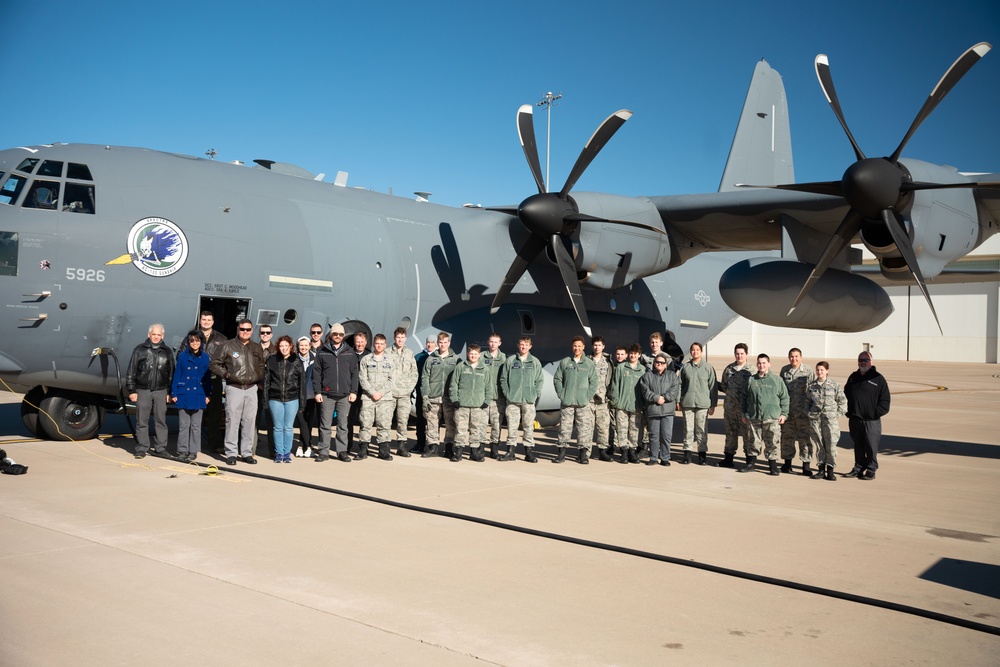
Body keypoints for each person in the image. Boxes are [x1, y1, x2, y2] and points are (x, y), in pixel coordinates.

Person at [210, 319, 267, 466]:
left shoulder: (256, 347)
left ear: (252, 330)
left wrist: (259, 376)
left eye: (248, 329)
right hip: (234, 388)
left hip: (251, 388)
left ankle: (247, 453)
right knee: (232, 421)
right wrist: (227, 375)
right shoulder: (227, 346)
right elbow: (214, 364)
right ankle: (231, 453)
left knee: (249, 421)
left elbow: (261, 365)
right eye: (242, 329)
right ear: (238, 329)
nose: (245, 332)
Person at [126, 323, 175, 459]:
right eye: (154, 334)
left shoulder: (167, 352)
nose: (156, 337)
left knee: (161, 420)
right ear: (149, 335)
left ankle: (160, 448)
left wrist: (170, 392)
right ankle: (142, 448)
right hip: (143, 390)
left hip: (161, 390)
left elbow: (171, 373)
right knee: (142, 420)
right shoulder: (139, 350)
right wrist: (132, 390)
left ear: (162, 336)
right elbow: (131, 371)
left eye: (159, 335)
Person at [312, 324, 359, 462]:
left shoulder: (350, 352)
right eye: (335, 334)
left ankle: (342, 451)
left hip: (345, 395)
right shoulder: (322, 351)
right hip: (327, 394)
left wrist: (353, 391)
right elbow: (316, 373)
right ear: (331, 335)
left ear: (343, 336)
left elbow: (354, 374)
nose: (337, 336)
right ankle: (323, 451)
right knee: (325, 424)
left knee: (342, 425)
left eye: (340, 334)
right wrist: (317, 392)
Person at [739, 353, 789, 476]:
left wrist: (784, 414)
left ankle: (773, 466)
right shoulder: (751, 380)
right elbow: (744, 398)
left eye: (764, 363)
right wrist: (744, 413)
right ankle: (751, 464)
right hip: (754, 417)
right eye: (759, 363)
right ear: (757, 364)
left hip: (771, 418)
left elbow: (785, 398)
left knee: (772, 442)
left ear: (769, 364)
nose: (761, 365)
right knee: (753, 441)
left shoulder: (777, 380)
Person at [843, 351, 890, 480]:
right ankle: (859, 467)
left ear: (871, 362)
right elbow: (845, 395)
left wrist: (874, 413)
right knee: (858, 445)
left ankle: (871, 469)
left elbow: (885, 401)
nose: (863, 362)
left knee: (871, 446)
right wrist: (848, 411)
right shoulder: (853, 377)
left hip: (871, 421)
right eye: (860, 360)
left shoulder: (878, 378)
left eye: (866, 360)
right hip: (855, 419)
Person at [553, 336, 598, 464]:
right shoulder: (565, 362)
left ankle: (583, 455)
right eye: (574, 346)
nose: (577, 348)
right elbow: (557, 379)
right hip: (567, 402)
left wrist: (587, 396)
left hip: (582, 403)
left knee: (584, 429)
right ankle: (561, 454)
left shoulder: (589, 364)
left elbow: (594, 382)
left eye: (579, 346)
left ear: (583, 347)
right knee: (564, 428)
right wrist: (562, 394)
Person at [499, 336, 544, 462]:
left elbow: (539, 380)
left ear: (530, 346)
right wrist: (508, 394)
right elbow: (503, 379)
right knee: (512, 426)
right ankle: (510, 451)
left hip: (528, 400)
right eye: (522, 344)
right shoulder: (511, 361)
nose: (524, 347)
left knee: (528, 426)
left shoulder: (535, 362)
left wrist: (535, 394)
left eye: (526, 344)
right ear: (518, 345)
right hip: (513, 400)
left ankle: (528, 452)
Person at [170, 329, 212, 463]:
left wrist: (208, 394)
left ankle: (193, 451)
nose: (195, 343)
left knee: (196, 426)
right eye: (192, 340)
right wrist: (174, 392)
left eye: (197, 340)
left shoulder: (205, 357)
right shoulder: (182, 356)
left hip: (198, 394)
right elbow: (177, 375)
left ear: (201, 342)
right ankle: (182, 450)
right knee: (183, 425)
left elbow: (207, 378)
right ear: (188, 342)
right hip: (184, 393)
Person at [449, 343, 493, 462]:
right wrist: (455, 399)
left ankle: (474, 452)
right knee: (460, 429)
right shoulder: (461, 367)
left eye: (475, 354)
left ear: (479, 355)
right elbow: (454, 384)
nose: (473, 356)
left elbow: (489, 386)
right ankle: (458, 452)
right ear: (468, 354)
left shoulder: (484, 369)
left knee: (475, 429)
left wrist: (486, 401)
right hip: (462, 405)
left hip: (477, 406)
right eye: (471, 354)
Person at [419, 332, 460, 458]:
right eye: (440, 343)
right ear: (437, 343)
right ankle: (433, 447)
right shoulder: (431, 359)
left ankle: (448, 447)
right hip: (433, 396)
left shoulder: (456, 359)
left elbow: (460, 379)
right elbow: (424, 378)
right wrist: (425, 396)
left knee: (450, 424)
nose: (442, 345)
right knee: (432, 423)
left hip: (449, 397)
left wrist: (457, 398)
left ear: (449, 343)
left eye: (445, 342)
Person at [263, 335, 303, 463]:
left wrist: (302, 403)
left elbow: (302, 383)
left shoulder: (297, 361)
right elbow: (267, 382)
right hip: (275, 398)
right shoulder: (272, 360)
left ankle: (287, 453)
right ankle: (279, 453)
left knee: (288, 427)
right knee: (278, 427)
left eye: (286, 346)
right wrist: (265, 400)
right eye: (281, 346)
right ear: (278, 347)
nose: (284, 348)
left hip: (292, 398)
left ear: (290, 346)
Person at [357, 333, 397, 460]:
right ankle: (363, 449)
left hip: (384, 399)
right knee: (365, 423)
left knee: (384, 424)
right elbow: (362, 379)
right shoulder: (366, 360)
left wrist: (380, 393)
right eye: (377, 343)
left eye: (381, 344)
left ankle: (383, 450)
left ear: (385, 345)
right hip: (369, 397)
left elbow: (392, 380)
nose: (379, 346)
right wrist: (372, 392)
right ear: (373, 344)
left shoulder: (390, 361)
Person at [677, 342, 718, 465]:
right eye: (693, 350)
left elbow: (713, 387)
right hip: (688, 402)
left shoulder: (708, 368)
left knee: (702, 429)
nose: (695, 352)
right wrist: (678, 400)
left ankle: (702, 454)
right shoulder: (685, 368)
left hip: (703, 404)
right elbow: (679, 385)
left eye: (697, 350)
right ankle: (687, 454)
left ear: (701, 352)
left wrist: (713, 404)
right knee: (688, 429)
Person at [807, 361, 847, 481]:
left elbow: (843, 402)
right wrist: (809, 413)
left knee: (831, 445)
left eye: (822, 370)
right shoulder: (811, 386)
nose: (819, 372)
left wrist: (836, 415)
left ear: (827, 371)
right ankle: (820, 469)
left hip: (830, 422)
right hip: (816, 421)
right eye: (818, 370)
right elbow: (806, 402)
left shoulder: (833, 385)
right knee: (819, 445)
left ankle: (830, 470)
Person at [779, 347, 816, 475]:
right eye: (791, 356)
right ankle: (787, 464)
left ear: (801, 357)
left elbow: (813, 391)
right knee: (787, 438)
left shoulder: (808, 371)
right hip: (788, 412)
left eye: (796, 356)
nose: (793, 359)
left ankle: (806, 465)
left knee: (805, 439)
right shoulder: (785, 370)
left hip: (803, 413)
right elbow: (781, 391)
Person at [608, 344, 646, 464]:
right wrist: (616, 401)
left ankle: (632, 451)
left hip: (636, 405)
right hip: (622, 405)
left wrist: (643, 403)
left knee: (634, 429)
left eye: (635, 354)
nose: (633, 355)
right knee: (622, 429)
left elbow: (644, 388)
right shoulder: (621, 368)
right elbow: (615, 385)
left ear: (639, 355)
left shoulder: (643, 370)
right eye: (631, 353)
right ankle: (623, 451)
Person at [640, 352, 680, 466]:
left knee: (666, 436)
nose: (659, 364)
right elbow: (645, 390)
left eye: (662, 363)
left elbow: (674, 390)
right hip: (653, 410)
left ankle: (665, 457)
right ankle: (653, 457)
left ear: (666, 364)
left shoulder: (672, 376)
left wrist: (665, 398)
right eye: (657, 362)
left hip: (667, 411)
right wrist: (656, 398)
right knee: (653, 435)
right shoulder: (647, 376)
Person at [718, 343, 752, 468]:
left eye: (742, 353)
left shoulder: (751, 370)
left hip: (745, 410)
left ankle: (749, 460)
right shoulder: (729, 369)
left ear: (746, 355)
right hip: (730, 408)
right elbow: (724, 386)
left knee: (747, 435)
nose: (739, 356)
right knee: (730, 434)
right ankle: (728, 459)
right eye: (737, 353)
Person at [199, 311, 228, 454]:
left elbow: (227, 359)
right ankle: (193, 443)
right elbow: (181, 354)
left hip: (214, 379)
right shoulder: (192, 336)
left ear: (213, 322)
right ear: (200, 321)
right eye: (203, 319)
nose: (206, 322)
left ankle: (215, 444)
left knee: (214, 414)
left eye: (208, 319)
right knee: (194, 411)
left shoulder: (221, 339)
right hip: (196, 380)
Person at [388, 327, 418, 457]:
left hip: (404, 394)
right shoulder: (387, 352)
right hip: (390, 393)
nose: (400, 340)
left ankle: (401, 446)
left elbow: (414, 374)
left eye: (402, 337)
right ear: (395, 338)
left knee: (403, 421)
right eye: (398, 337)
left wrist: (408, 389)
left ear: (405, 338)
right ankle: (384, 445)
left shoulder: (409, 353)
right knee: (386, 421)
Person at [480, 333, 507, 459]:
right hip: (484, 397)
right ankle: (480, 447)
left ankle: (494, 448)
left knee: (496, 424)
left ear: (500, 343)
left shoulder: (504, 359)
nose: (493, 344)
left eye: (495, 342)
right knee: (482, 423)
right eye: (491, 342)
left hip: (498, 398)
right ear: (487, 342)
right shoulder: (481, 357)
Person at [589, 336, 613, 461]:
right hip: (589, 400)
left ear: (603, 347)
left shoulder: (608, 362)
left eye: (599, 345)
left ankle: (603, 451)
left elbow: (611, 380)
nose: (597, 347)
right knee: (587, 427)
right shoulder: (588, 361)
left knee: (603, 427)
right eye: (595, 345)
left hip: (603, 400)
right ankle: (585, 452)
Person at [413, 335, 437, 453]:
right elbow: (414, 375)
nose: (430, 344)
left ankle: (434, 445)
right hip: (421, 393)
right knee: (420, 420)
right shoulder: (418, 357)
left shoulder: (439, 358)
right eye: (428, 342)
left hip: (435, 394)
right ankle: (420, 443)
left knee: (434, 420)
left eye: (432, 342)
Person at [293, 336, 317, 458]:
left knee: (309, 422)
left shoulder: (315, 359)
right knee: (302, 422)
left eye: (305, 345)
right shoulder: (294, 360)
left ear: (310, 346)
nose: (303, 347)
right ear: (298, 346)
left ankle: (301, 446)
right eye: (301, 345)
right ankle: (307, 446)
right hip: (298, 396)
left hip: (311, 396)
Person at [346, 331, 369, 452]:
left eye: (362, 342)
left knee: (365, 420)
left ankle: (363, 446)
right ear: (354, 343)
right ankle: (348, 445)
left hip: (365, 393)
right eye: (357, 342)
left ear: (365, 342)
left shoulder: (369, 355)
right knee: (348, 420)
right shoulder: (348, 354)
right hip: (351, 392)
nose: (359, 344)